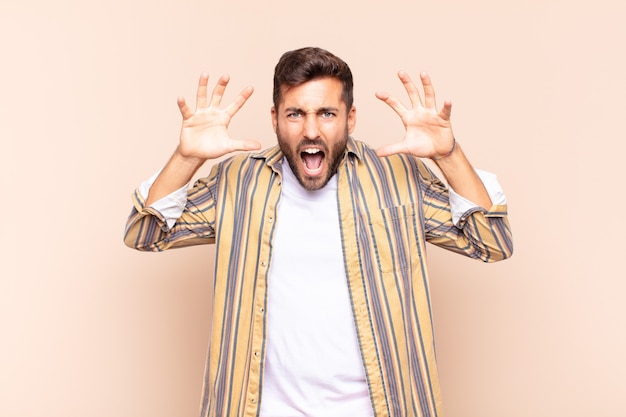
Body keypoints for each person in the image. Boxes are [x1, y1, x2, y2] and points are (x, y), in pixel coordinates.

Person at [124, 46, 513, 417]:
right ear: (275, 118)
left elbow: (492, 243)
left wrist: (448, 157)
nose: (311, 130)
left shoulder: (398, 178)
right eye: (295, 114)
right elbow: (145, 232)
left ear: (350, 118)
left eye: (327, 113)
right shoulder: (238, 181)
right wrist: (186, 158)